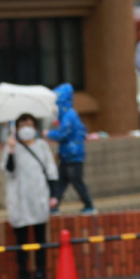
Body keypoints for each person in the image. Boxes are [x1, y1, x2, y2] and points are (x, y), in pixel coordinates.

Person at [1, 113, 58, 279]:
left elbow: (51, 170)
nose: (27, 128)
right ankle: (24, 275)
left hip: (39, 196)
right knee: (22, 240)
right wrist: (10, 150)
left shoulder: (42, 145)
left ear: (35, 127)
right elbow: (8, 170)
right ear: (17, 128)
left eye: (30, 124)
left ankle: (41, 274)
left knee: (40, 238)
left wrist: (54, 195)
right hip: (19, 199)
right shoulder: (12, 146)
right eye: (23, 124)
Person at [47, 83, 95, 214]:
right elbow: (82, 130)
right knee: (61, 182)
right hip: (67, 155)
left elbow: (64, 133)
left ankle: (89, 205)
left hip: (73, 155)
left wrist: (49, 134)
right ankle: (54, 206)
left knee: (76, 182)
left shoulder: (69, 115)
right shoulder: (69, 115)